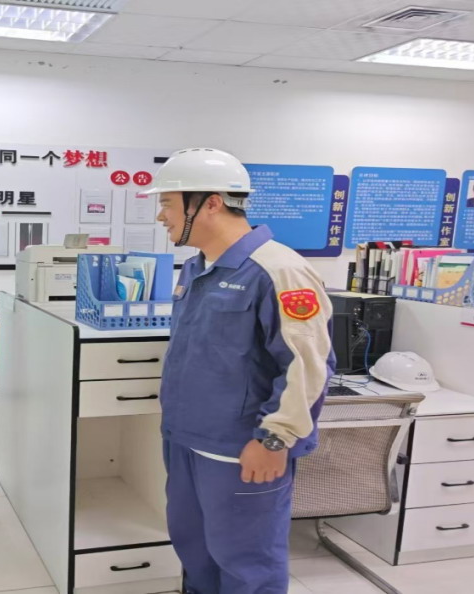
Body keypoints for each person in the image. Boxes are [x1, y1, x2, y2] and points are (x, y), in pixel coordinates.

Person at [144, 148, 335, 594]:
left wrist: (275, 440)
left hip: (243, 449)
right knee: (195, 551)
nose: (160, 216)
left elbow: (308, 366)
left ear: (210, 203)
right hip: (187, 441)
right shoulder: (196, 267)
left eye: (168, 203)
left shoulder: (280, 269)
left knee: (247, 562)